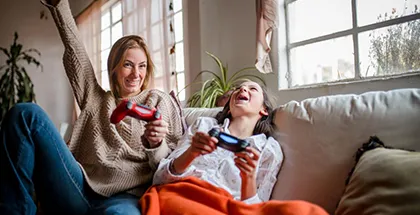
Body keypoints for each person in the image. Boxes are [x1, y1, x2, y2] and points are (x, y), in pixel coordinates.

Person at [0, 0, 184, 214]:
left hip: (126, 198)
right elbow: (75, 51)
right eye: (128, 64)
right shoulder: (96, 99)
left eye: (142, 66)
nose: (136, 74)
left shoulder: (159, 101)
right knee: (25, 114)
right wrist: (58, 5)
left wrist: (156, 143)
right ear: (114, 69)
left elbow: (169, 167)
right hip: (77, 186)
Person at [140, 81, 328, 215]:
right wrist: (191, 153)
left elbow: (256, 207)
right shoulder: (204, 126)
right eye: (238, 88)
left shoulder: (269, 149)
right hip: (182, 196)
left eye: (251, 88)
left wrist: (248, 179)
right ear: (229, 107)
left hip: (228, 206)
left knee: (301, 211)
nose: (243, 89)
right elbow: (160, 178)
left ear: (263, 110)